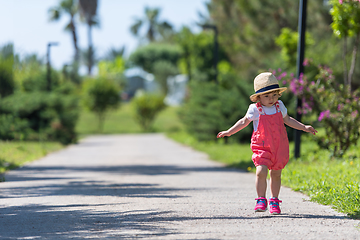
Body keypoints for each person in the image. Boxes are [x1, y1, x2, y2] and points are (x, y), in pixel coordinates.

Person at [217, 72, 317, 215]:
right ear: (258, 97)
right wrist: (229, 132)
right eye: (267, 96)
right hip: (262, 147)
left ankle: (274, 201)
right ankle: (261, 199)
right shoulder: (255, 109)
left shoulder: (279, 106)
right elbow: (243, 122)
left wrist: (303, 127)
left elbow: (288, 120)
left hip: (279, 147)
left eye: (274, 95)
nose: (271, 99)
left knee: (276, 174)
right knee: (261, 171)